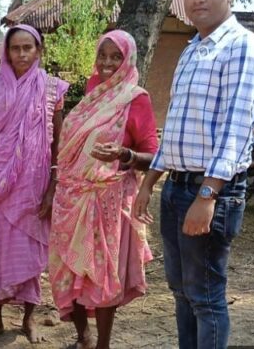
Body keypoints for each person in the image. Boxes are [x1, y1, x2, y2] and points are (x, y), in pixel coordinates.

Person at [133, 0, 254, 349]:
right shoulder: (193, 49)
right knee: (181, 291)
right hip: (177, 188)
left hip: (210, 191)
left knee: (206, 296)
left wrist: (208, 195)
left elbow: (236, 129)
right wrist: (149, 182)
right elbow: (176, 127)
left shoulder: (244, 47)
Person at [49, 30, 159, 349]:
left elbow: (154, 155)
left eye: (116, 57)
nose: (107, 63)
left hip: (109, 201)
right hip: (72, 197)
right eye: (103, 55)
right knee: (69, 269)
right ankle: (83, 336)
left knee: (102, 273)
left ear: (129, 60)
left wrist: (124, 154)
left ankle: (103, 345)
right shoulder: (92, 91)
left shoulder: (136, 99)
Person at [0, 24, 69, 344]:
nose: (22, 54)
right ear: (7, 53)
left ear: (38, 50)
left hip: (33, 185)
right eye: (16, 48)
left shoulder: (52, 89)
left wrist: (52, 188)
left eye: (28, 48)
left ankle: (28, 319)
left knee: (29, 253)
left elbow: (58, 143)